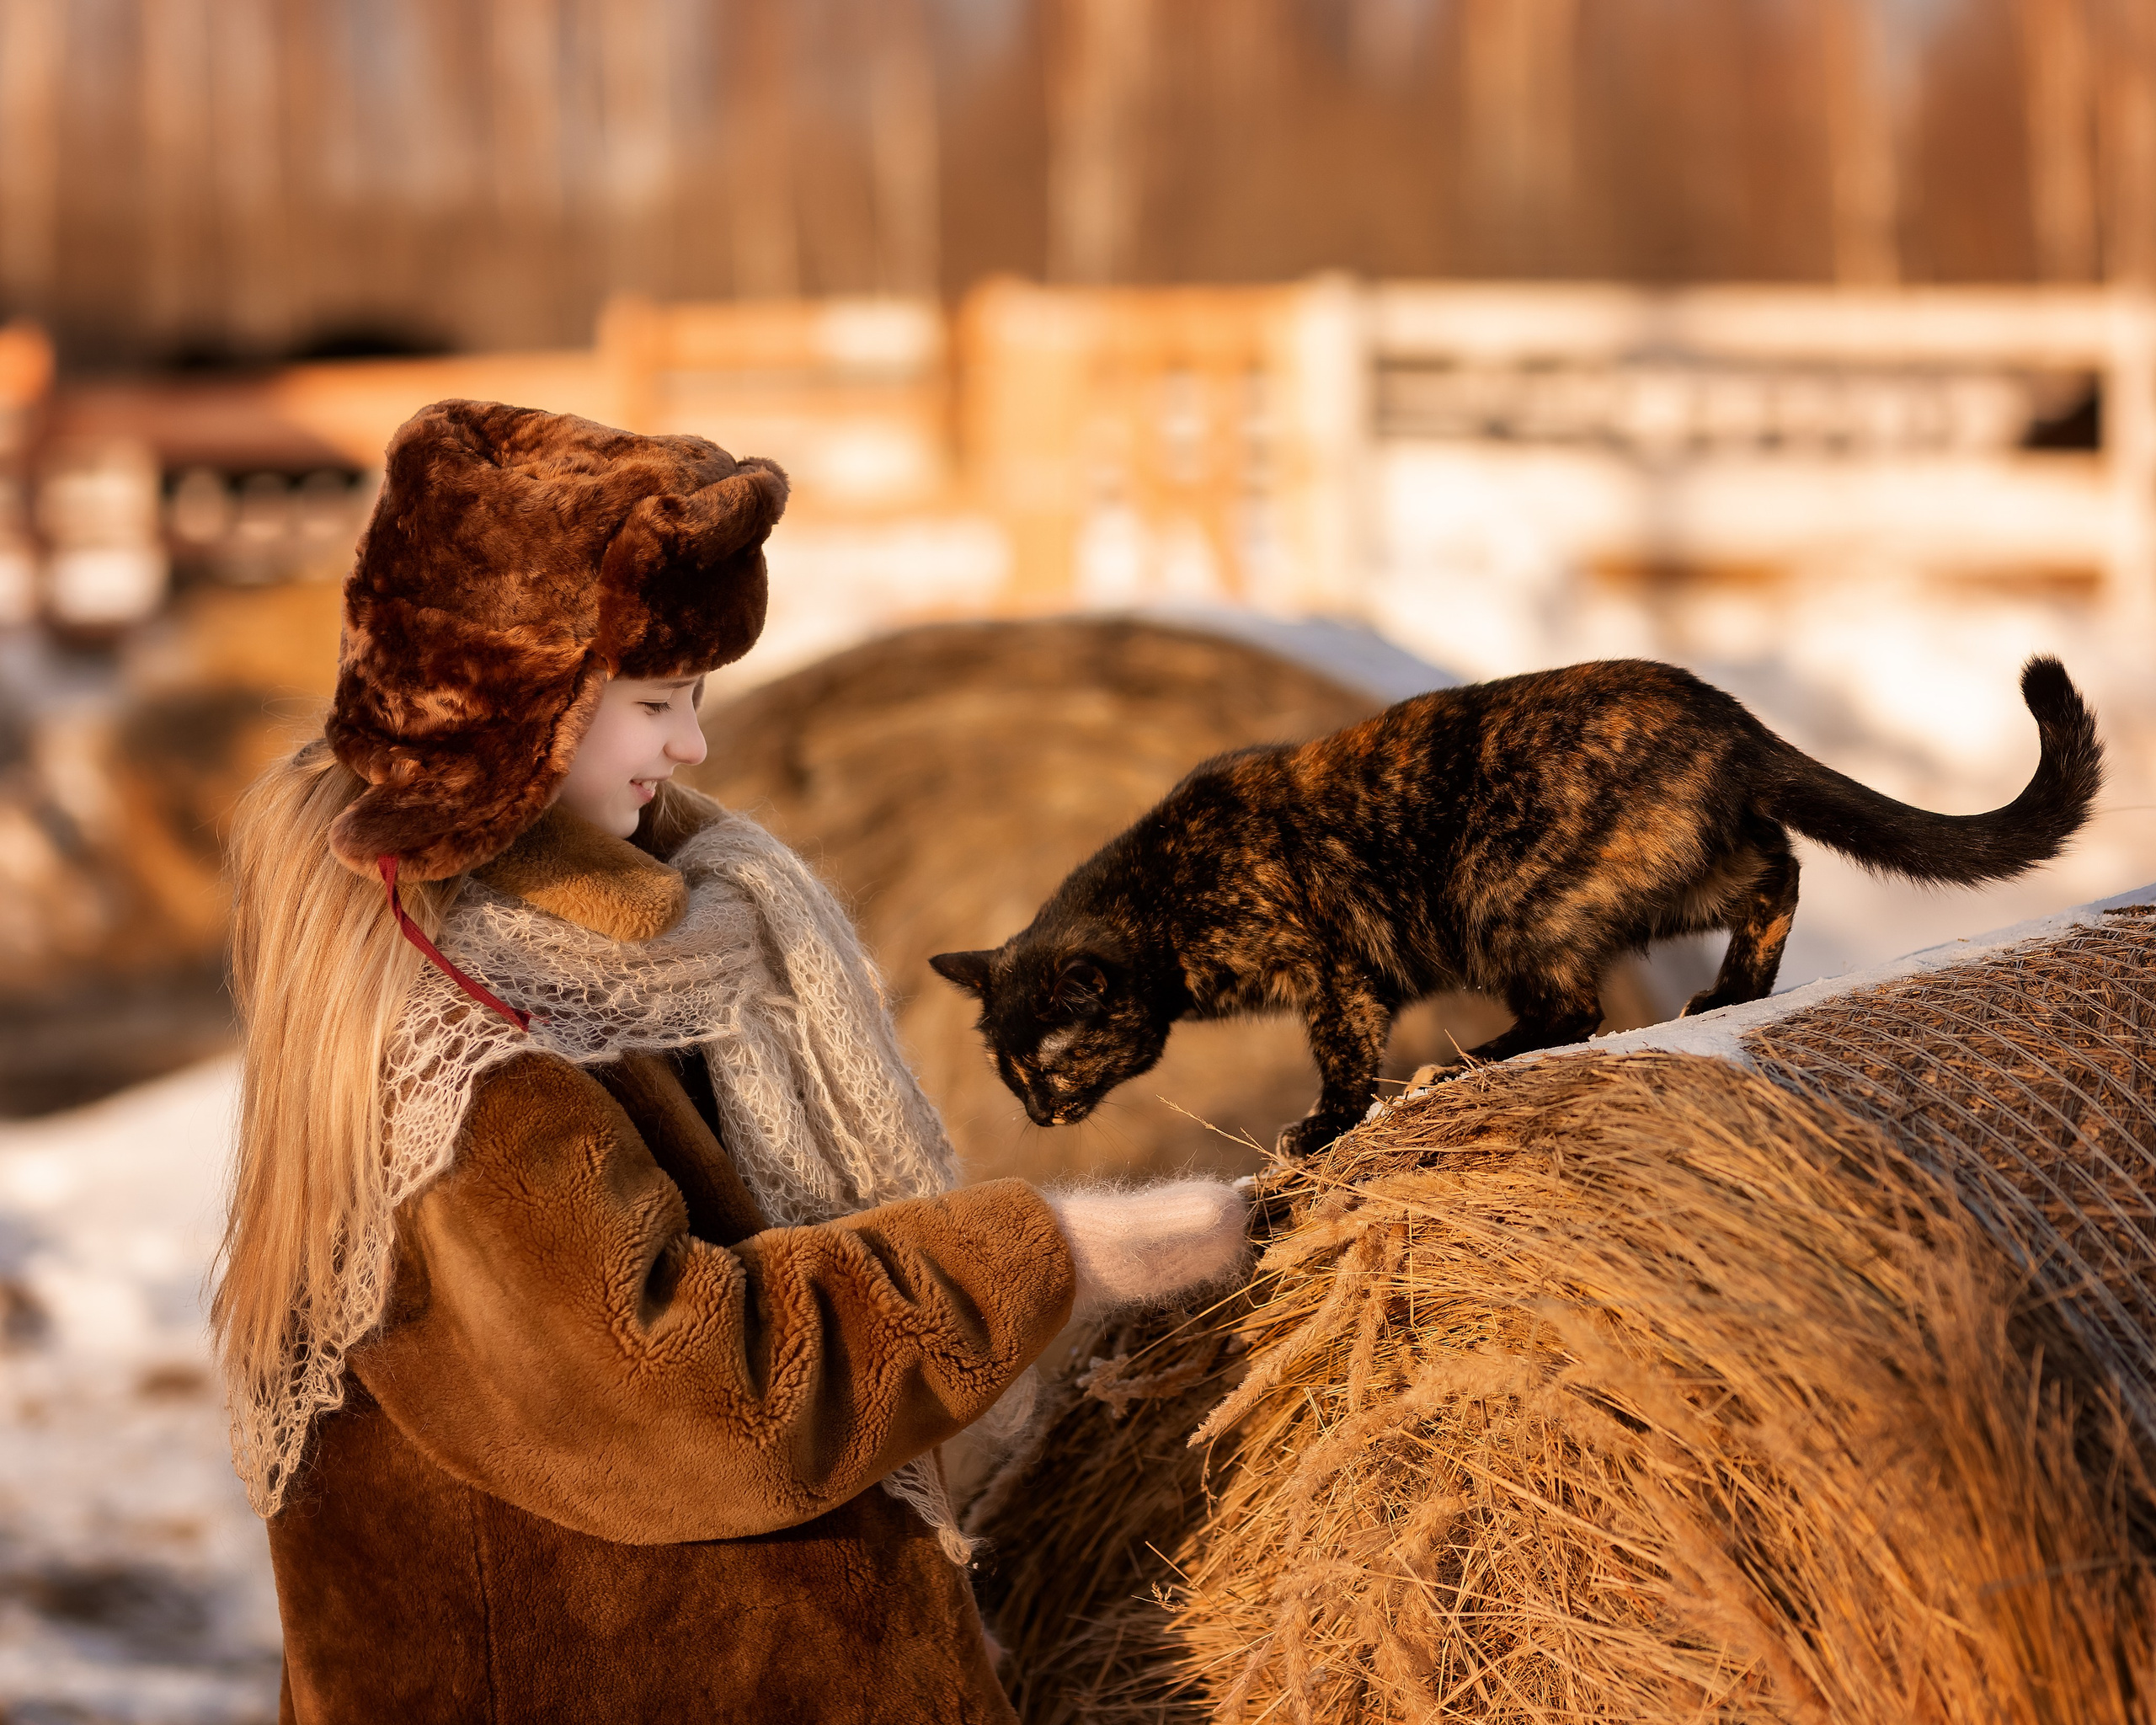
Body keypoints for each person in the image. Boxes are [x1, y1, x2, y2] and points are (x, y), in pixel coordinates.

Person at [211, 400, 1251, 1723]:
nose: (694, 747)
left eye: (694, 698)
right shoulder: (470, 1073)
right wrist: (1044, 1254)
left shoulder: (600, 968)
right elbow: (696, 1392)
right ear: (517, 717)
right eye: (655, 703)